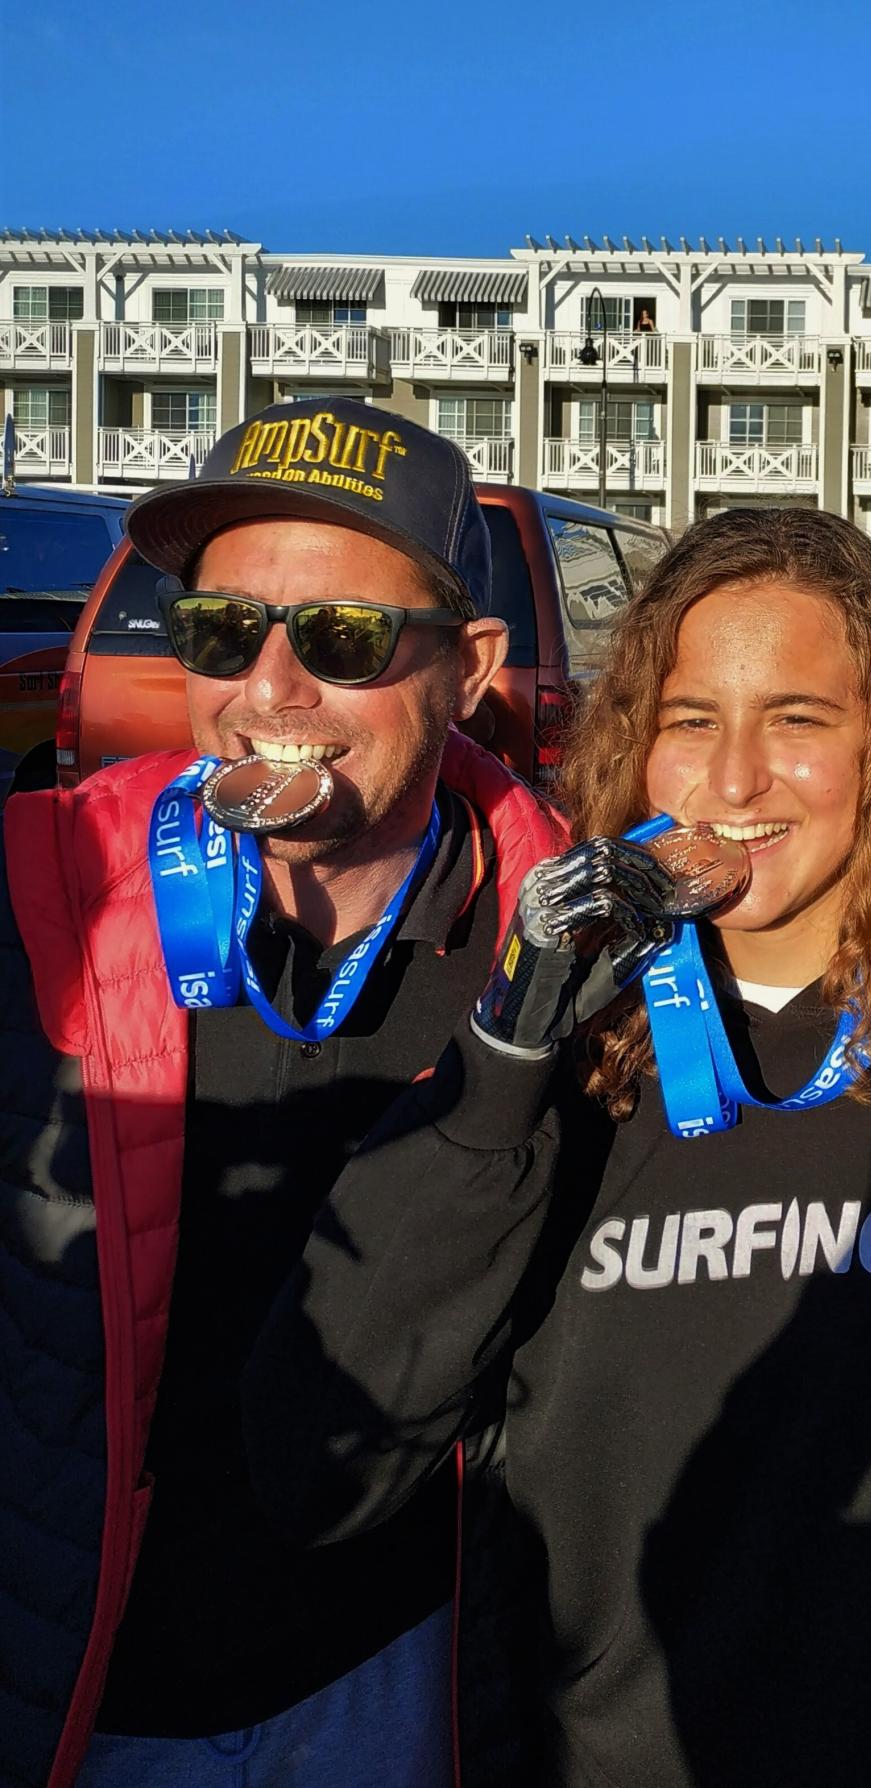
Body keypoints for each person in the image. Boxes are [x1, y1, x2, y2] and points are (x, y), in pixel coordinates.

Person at [246, 507, 871, 1788]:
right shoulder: (560, 1070)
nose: (734, 780)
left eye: (798, 720)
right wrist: (503, 1068)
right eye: (689, 721)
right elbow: (316, 1470)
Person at [0, 396, 567, 1788]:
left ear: (472, 664)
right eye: (216, 631)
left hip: (411, 1684)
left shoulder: (577, 945)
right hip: (89, 1690)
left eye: (344, 639)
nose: (268, 688)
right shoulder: (34, 896)